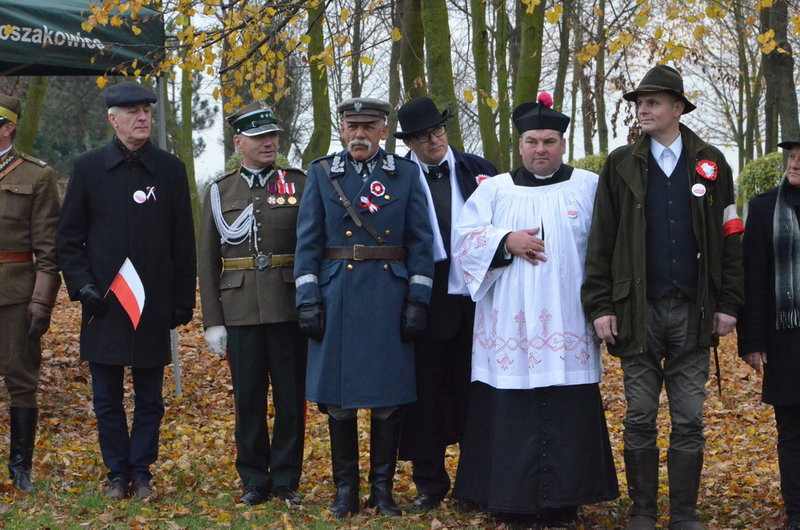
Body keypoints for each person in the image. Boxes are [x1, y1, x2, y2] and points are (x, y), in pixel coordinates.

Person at [581, 65, 744, 530]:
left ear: (678, 108)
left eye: (653, 102)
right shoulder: (620, 163)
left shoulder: (711, 161)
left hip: (694, 312)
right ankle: (643, 511)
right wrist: (601, 306)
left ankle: (685, 514)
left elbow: (731, 234)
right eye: (639, 103)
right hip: (637, 311)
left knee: (690, 418)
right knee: (639, 416)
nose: (643, 110)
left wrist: (729, 302)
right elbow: (602, 241)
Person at [451, 93, 619, 527]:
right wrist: (505, 241)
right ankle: (508, 501)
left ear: (562, 144)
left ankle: (565, 502)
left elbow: (608, 246)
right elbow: (464, 242)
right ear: (519, 144)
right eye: (531, 141)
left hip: (568, 320)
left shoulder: (588, 185)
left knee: (567, 411)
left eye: (548, 141)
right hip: (508, 322)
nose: (540, 149)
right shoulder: (495, 190)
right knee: (510, 413)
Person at [294, 97, 433, 518]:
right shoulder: (321, 174)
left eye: (368, 127)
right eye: (351, 126)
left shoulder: (405, 175)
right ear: (341, 129)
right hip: (337, 295)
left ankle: (383, 491)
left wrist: (417, 299)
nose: (359, 134)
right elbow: (307, 243)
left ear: (384, 131)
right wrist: (308, 298)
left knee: (387, 399)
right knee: (340, 400)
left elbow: (421, 243)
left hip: (388, 297)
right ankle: (345, 491)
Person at [57, 82, 196, 501]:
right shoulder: (88, 168)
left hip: (153, 305)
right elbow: (68, 239)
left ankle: (142, 471)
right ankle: (117, 473)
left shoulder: (170, 170)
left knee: (150, 398)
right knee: (107, 398)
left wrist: (182, 300)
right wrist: (82, 286)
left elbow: (183, 241)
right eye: (132, 111)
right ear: (112, 119)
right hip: (105, 303)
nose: (142, 118)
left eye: (146, 112)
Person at [198, 102, 307, 506]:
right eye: (260, 137)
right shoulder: (220, 190)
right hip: (240, 308)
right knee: (248, 398)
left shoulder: (298, 183)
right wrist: (213, 320)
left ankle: (285, 479)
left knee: (291, 397)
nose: (269, 143)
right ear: (239, 142)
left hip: (288, 304)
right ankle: (253, 479)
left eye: (272, 136)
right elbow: (207, 259)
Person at [392, 96, 496, 511]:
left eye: (437, 131)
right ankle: (430, 484)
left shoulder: (481, 171)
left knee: (475, 395)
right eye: (421, 137)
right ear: (409, 143)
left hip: (477, 302)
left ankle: (476, 484)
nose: (432, 141)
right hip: (422, 301)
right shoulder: (397, 177)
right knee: (424, 397)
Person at [0, 94, 61, 493]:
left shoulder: (36, 176)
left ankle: (20, 469)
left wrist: (41, 301)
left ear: (7, 128)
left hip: (15, 295)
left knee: (21, 380)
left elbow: (48, 248)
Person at [738, 137, 800, 530]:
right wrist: (752, 340)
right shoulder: (763, 209)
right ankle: (797, 510)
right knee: (791, 428)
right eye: (793, 157)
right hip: (786, 337)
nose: (795, 163)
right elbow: (753, 277)